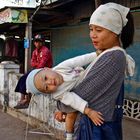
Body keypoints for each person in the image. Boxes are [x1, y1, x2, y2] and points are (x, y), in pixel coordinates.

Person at [54, 2, 135, 140]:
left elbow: (75, 98)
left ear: (115, 31)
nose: (92, 35)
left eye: (98, 30)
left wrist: (60, 104)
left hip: (96, 130)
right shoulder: (106, 54)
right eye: (91, 29)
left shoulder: (113, 57)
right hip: (94, 127)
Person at [26, 52, 105, 140]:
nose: (49, 82)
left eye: (45, 78)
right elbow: (73, 100)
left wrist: (96, 54)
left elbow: (78, 60)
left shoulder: (61, 67)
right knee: (71, 112)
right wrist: (88, 111)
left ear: (47, 69)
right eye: (46, 87)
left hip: (82, 72)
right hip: (83, 86)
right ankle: (69, 136)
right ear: (48, 93)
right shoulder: (57, 93)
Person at [14, 34, 53, 109]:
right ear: (34, 43)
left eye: (39, 42)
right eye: (36, 42)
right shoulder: (34, 52)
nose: (38, 43)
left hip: (45, 71)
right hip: (37, 70)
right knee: (23, 78)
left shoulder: (45, 51)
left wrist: (36, 64)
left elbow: (41, 65)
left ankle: (27, 100)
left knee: (29, 79)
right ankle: (23, 99)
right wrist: (36, 64)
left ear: (42, 42)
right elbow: (32, 63)